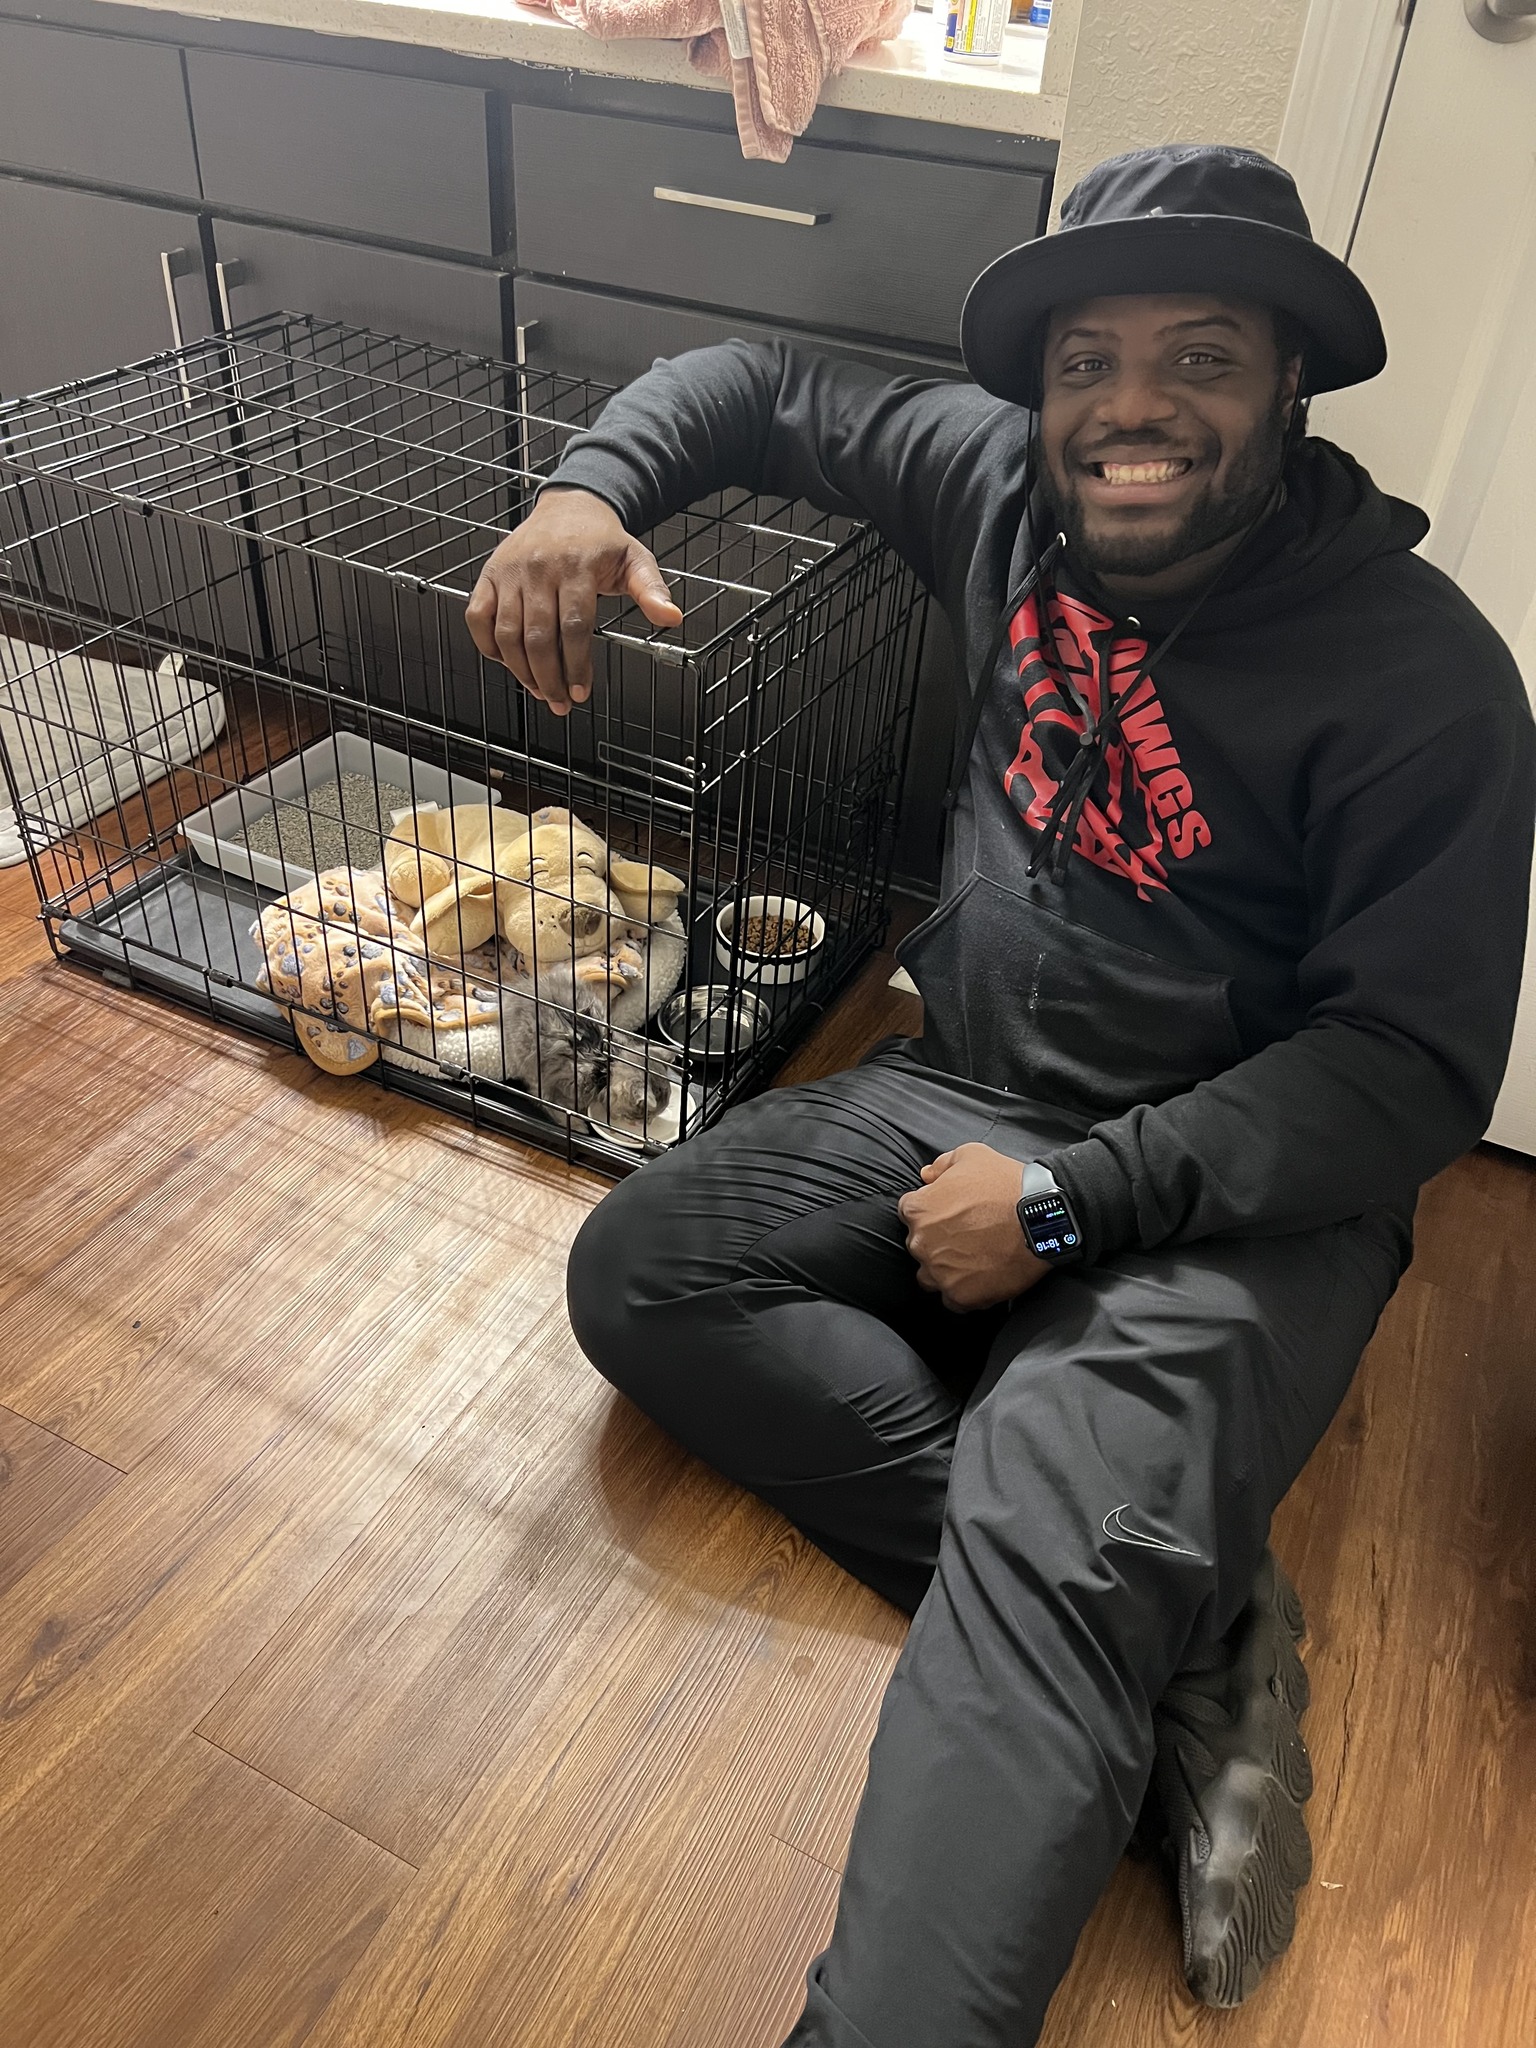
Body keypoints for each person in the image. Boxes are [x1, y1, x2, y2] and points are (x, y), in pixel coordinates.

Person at [466, 145, 1536, 2047]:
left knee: (1052, 1527)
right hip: (969, 1088)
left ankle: (1093, 1570)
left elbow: (1408, 1075)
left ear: (1290, 382)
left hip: (1241, 1194)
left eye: (1200, 357)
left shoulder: (1428, 682)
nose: (1133, 407)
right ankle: (1187, 1621)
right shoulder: (996, 486)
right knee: (644, 1271)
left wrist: (1063, 1209)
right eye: (1087, 361)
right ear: (1041, 389)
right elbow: (756, 384)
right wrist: (586, 487)